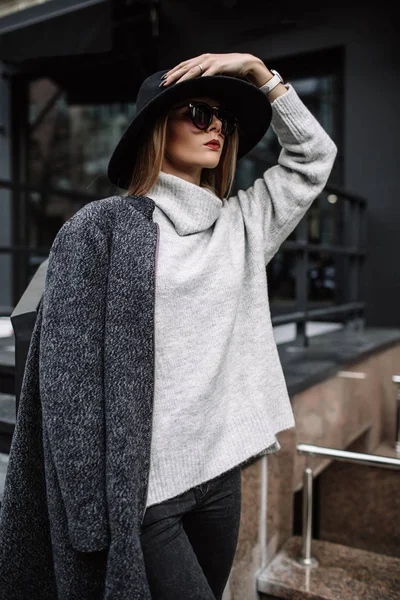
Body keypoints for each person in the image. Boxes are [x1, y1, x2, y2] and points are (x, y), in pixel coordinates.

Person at [0, 52, 337, 600]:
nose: (217, 129)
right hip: (146, 491)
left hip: (220, 478)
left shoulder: (241, 225)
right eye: (199, 113)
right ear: (157, 127)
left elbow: (313, 158)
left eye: (223, 121)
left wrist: (260, 74)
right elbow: (67, 379)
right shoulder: (101, 228)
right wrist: (91, 511)